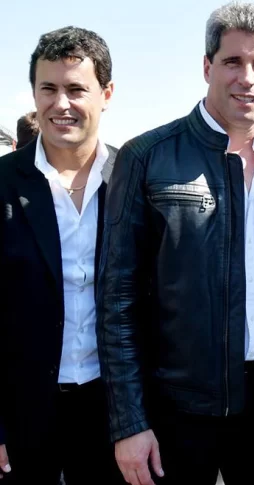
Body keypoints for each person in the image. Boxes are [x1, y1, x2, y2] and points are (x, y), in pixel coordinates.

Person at [96, 2, 254, 485]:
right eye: (232, 62)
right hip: (177, 406)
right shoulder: (147, 157)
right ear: (207, 67)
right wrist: (130, 422)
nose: (247, 78)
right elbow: (117, 300)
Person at [0, 26, 124, 485]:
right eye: (48, 89)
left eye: (76, 89)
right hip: (23, 414)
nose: (60, 104)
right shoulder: (3, 181)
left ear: (106, 94)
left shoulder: (134, 180)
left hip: (115, 414)